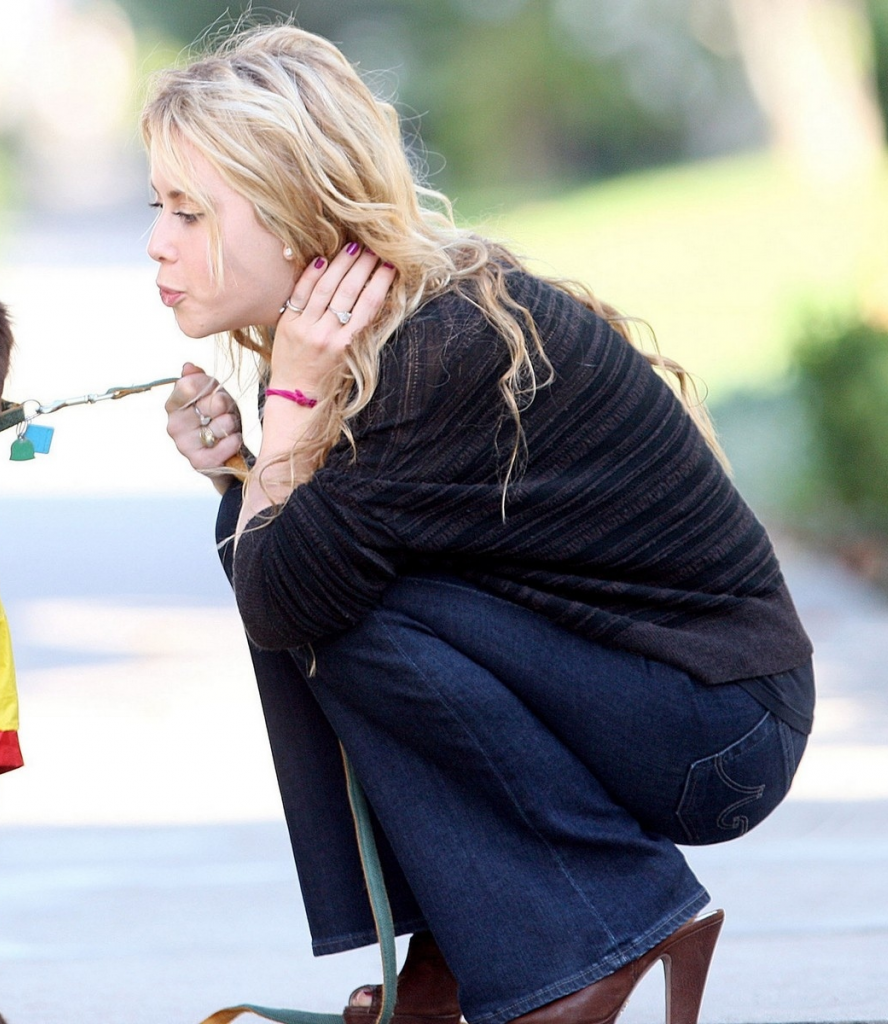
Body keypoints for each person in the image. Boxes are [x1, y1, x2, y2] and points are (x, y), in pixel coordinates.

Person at [144, 23, 813, 1024]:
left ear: (293, 213)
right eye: (159, 206)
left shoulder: (436, 349)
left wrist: (281, 429)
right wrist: (247, 470)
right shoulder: (393, 331)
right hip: (655, 698)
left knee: (327, 603)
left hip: (715, 730)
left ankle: (591, 930)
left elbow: (290, 598)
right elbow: (295, 569)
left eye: (190, 211)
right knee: (293, 561)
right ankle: (459, 960)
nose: (157, 240)